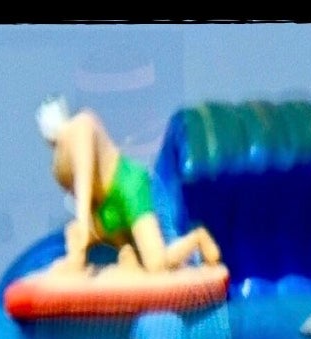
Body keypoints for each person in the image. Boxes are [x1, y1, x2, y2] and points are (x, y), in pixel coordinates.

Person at [35, 93, 221, 274]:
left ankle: (198, 239)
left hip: (128, 186)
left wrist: (82, 220)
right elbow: (76, 191)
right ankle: (126, 252)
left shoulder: (82, 125)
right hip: (105, 205)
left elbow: (85, 174)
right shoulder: (59, 159)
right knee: (75, 236)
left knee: (156, 265)